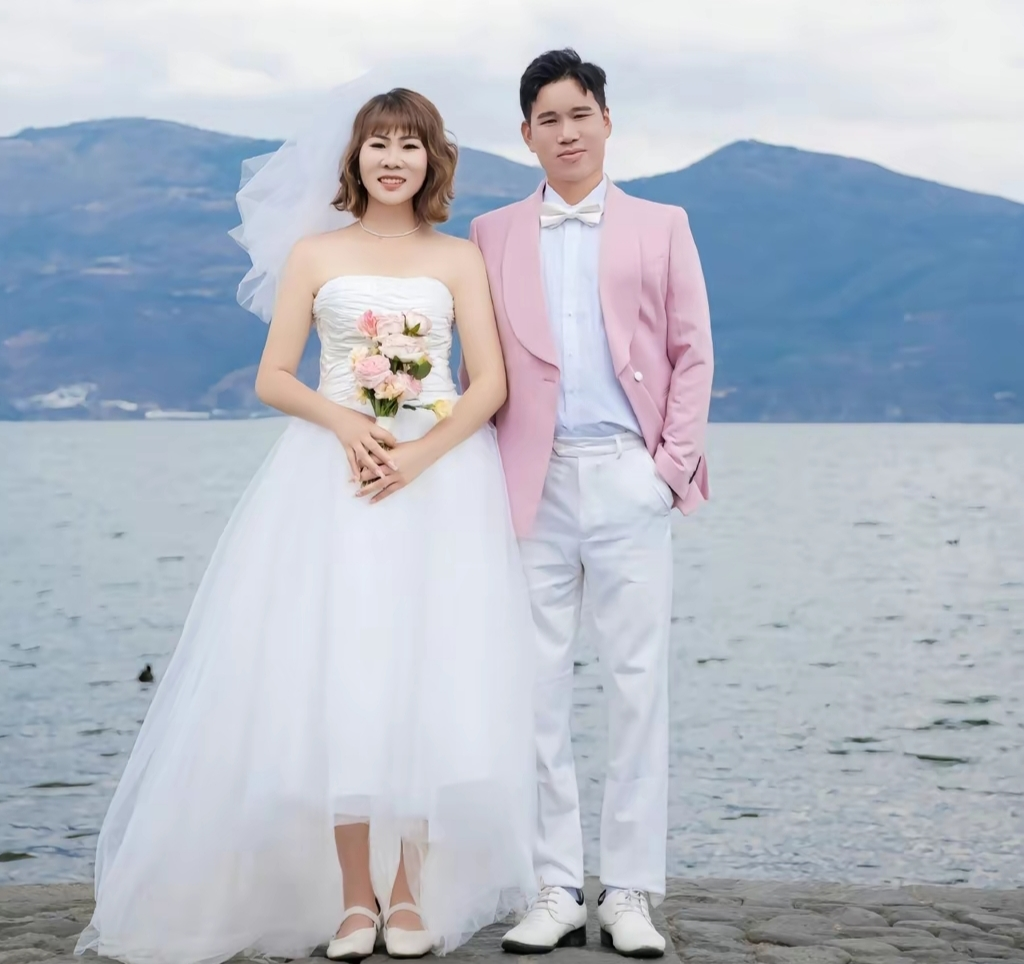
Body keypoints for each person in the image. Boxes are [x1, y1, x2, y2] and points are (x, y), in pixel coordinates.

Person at [75, 87, 537, 964]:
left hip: (438, 484)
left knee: (429, 670)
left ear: (433, 159)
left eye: (410, 144)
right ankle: (355, 897)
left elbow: (489, 384)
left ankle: (410, 891)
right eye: (378, 143)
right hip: (335, 482)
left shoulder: (459, 258)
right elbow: (275, 376)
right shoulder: (315, 253)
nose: (393, 159)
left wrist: (418, 455)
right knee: (344, 672)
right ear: (354, 157)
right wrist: (348, 424)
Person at [466, 49, 714, 957]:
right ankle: (556, 885)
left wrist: (666, 470)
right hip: (528, 482)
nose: (566, 132)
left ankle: (631, 890)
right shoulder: (490, 233)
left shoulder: (662, 224)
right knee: (532, 687)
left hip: (626, 474)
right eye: (549, 119)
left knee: (638, 685)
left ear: (606, 121)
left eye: (580, 115)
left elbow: (693, 351)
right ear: (525, 134)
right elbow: (477, 365)